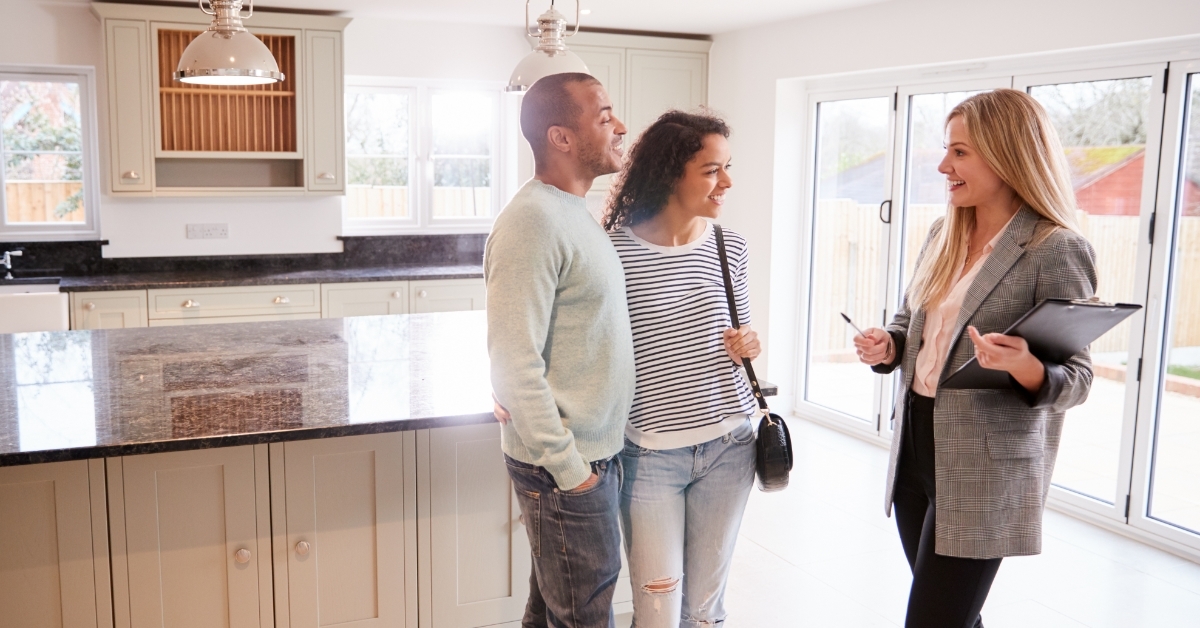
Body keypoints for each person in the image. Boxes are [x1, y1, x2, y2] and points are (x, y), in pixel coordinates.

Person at [853, 89, 1097, 628]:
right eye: (947, 150)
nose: (943, 166)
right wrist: (889, 346)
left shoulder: (1054, 247)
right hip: (917, 443)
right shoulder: (945, 232)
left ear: (1007, 154)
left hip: (986, 465)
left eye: (960, 152)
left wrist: (1023, 365)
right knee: (955, 612)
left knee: (934, 618)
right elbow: (909, 322)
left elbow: (1077, 378)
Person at [485, 72, 634, 628]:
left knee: (551, 608)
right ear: (562, 138)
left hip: (586, 455)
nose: (620, 127)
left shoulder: (573, 211)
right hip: (567, 464)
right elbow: (514, 359)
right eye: (605, 117)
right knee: (585, 616)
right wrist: (572, 470)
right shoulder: (533, 222)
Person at [603, 110, 761, 628]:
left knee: (704, 612)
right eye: (713, 170)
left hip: (730, 446)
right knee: (657, 612)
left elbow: (736, 331)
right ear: (672, 173)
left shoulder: (727, 245)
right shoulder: (613, 252)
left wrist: (748, 344)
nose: (728, 182)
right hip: (649, 456)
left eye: (727, 168)